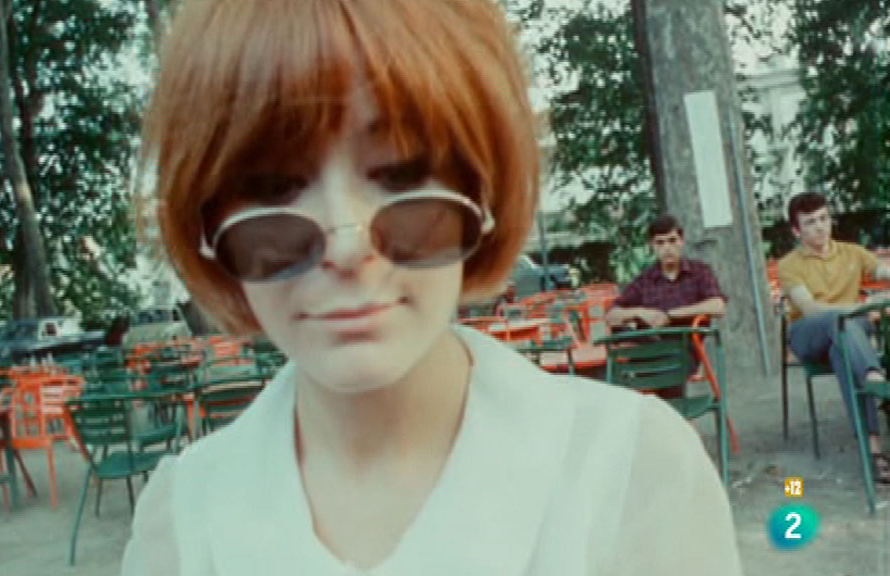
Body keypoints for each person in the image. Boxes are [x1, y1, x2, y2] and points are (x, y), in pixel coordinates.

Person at [121, 1, 741, 574]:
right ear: (206, 224)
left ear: (483, 191)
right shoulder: (180, 524)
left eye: (401, 175)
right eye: (274, 189)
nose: (346, 246)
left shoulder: (632, 472)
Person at [777, 191, 890, 483]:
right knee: (837, 321)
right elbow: (810, 308)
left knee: (843, 348)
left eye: (824, 218)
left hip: (846, 337)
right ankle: (875, 377)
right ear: (797, 230)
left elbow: (882, 270)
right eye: (810, 222)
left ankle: (873, 452)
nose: (820, 227)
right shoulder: (789, 264)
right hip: (808, 334)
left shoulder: (851, 252)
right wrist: (863, 307)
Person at [605, 214, 727, 330]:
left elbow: (717, 306)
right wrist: (640, 313)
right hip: (652, 343)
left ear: (681, 241)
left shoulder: (699, 271)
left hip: (690, 342)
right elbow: (611, 316)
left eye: (672, 240)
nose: (667, 248)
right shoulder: (644, 281)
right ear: (652, 245)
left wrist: (670, 315)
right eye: (660, 242)